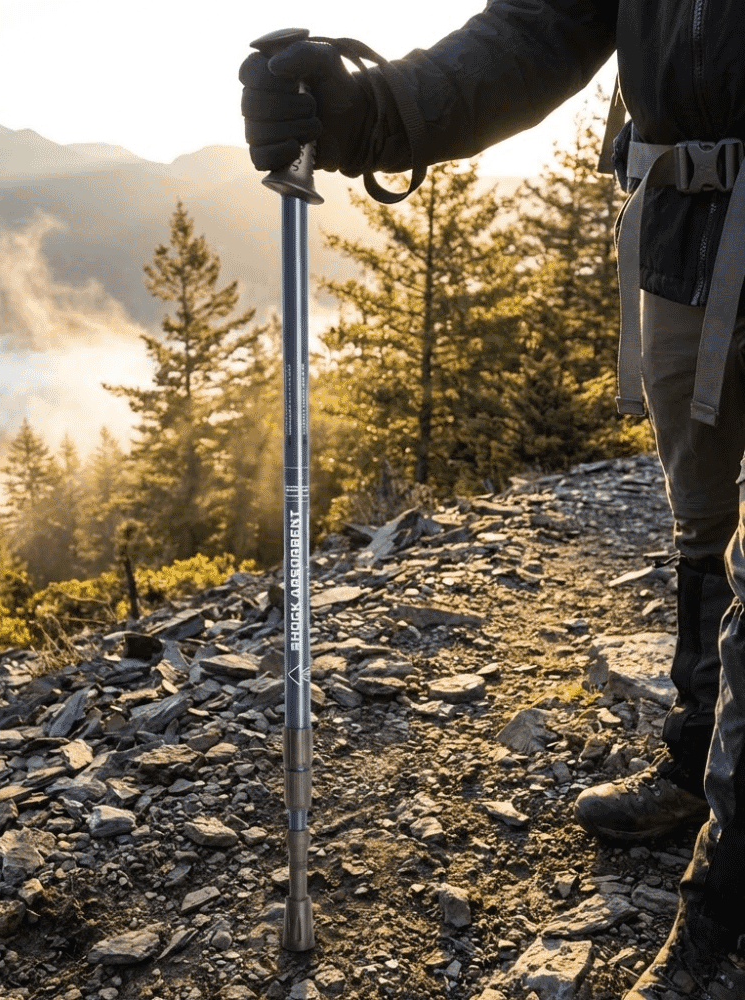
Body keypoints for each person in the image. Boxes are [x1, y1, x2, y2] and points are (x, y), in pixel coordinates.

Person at [240, 4, 745, 997]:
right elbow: (537, 31)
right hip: (686, 231)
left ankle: (722, 905)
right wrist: (368, 115)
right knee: (702, 519)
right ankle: (695, 763)